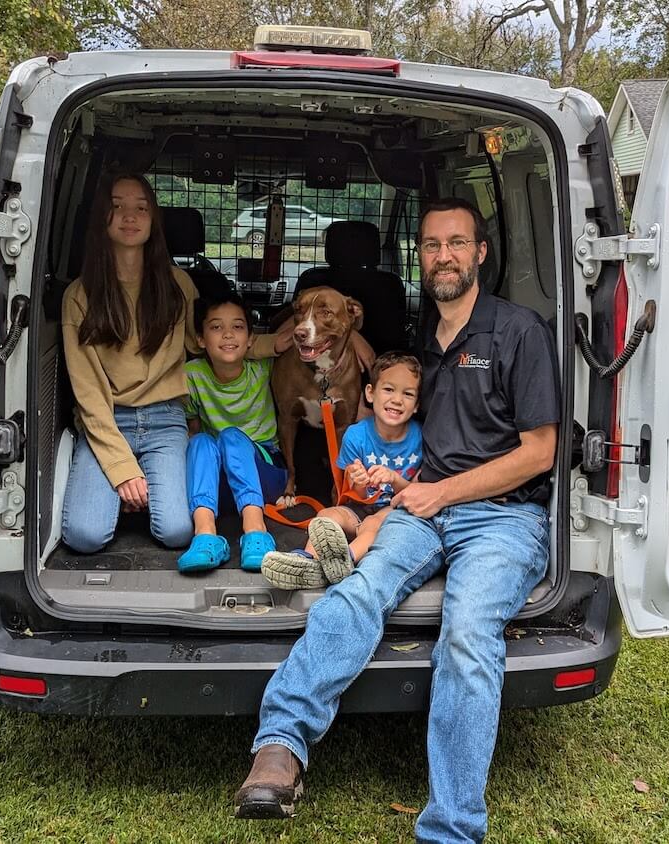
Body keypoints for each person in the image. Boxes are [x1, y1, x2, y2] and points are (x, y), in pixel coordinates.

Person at [233, 198, 561, 844]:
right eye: (432, 245)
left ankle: (452, 828)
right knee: (355, 596)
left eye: (457, 243)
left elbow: (540, 452)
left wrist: (439, 494)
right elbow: (401, 420)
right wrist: (388, 485)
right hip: (420, 504)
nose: (444, 256)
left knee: (467, 635)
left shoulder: (518, 331)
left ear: (480, 253)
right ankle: (280, 746)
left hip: (502, 519)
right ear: (421, 257)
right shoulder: (422, 344)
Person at [61, 173, 198, 554]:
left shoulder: (178, 285)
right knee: (84, 536)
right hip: (108, 420)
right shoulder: (80, 294)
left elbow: (209, 344)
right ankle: (128, 490)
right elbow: (88, 392)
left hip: (165, 420)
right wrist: (122, 469)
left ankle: (137, 493)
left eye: (141, 208)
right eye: (117, 206)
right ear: (101, 218)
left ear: (154, 220)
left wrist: (279, 341)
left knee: (176, 532)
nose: (130, 216)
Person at [259, 351, 424, 589]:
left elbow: (418, 493)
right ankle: (307, 561)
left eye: (407, 394)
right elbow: (352, 495)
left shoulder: (420, 438)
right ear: (370, 393)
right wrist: (359, 481)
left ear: (417, 405)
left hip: (394, 511)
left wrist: (394, 479)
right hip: (357, 508)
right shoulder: (355, 435)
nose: (397, 400)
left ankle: (346, 560)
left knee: (373, 524)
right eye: (389, 389)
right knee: (327, 515)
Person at [178, 291, 287, 572]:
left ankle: (255, 531)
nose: (228, 334)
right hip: (217, 483)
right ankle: (205, 537)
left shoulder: (262, 368)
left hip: (264, 474)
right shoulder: (192, 375)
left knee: (230, 436)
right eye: (216, 327)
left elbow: (296, 335)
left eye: (238, 327)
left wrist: (356, 339)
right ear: (200, 339)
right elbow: (191, 427)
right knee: (200, 441)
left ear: (251, 339)